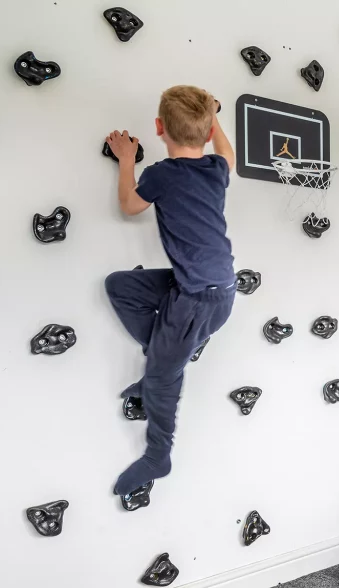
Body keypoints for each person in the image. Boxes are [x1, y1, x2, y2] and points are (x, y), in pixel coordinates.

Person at [104, 85, 237, 504]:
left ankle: (159, 454)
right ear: (208, 128)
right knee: (121, 286)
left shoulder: (162, 174)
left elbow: (129, 204)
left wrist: (126, 160)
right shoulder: (217, 168)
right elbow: (228, 154)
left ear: (159, 128)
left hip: (199, 300)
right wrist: (214, 116)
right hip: (209, 290)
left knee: (163, 381)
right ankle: (170, 355)